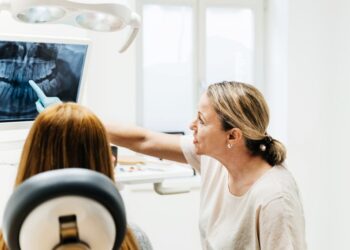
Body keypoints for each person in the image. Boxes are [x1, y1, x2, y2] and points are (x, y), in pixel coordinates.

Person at [105, 81, 307, 249]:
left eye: (201, 120)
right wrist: (83, 121)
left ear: (233, 136)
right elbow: (145, 140)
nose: (191, 125)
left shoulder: (275, 199)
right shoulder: (216, 159)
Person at [0, 102, 153, 250]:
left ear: (31, 157)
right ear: (102, 160)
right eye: (107, 150)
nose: (112, 158)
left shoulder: (5, 241)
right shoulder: (134, 241)